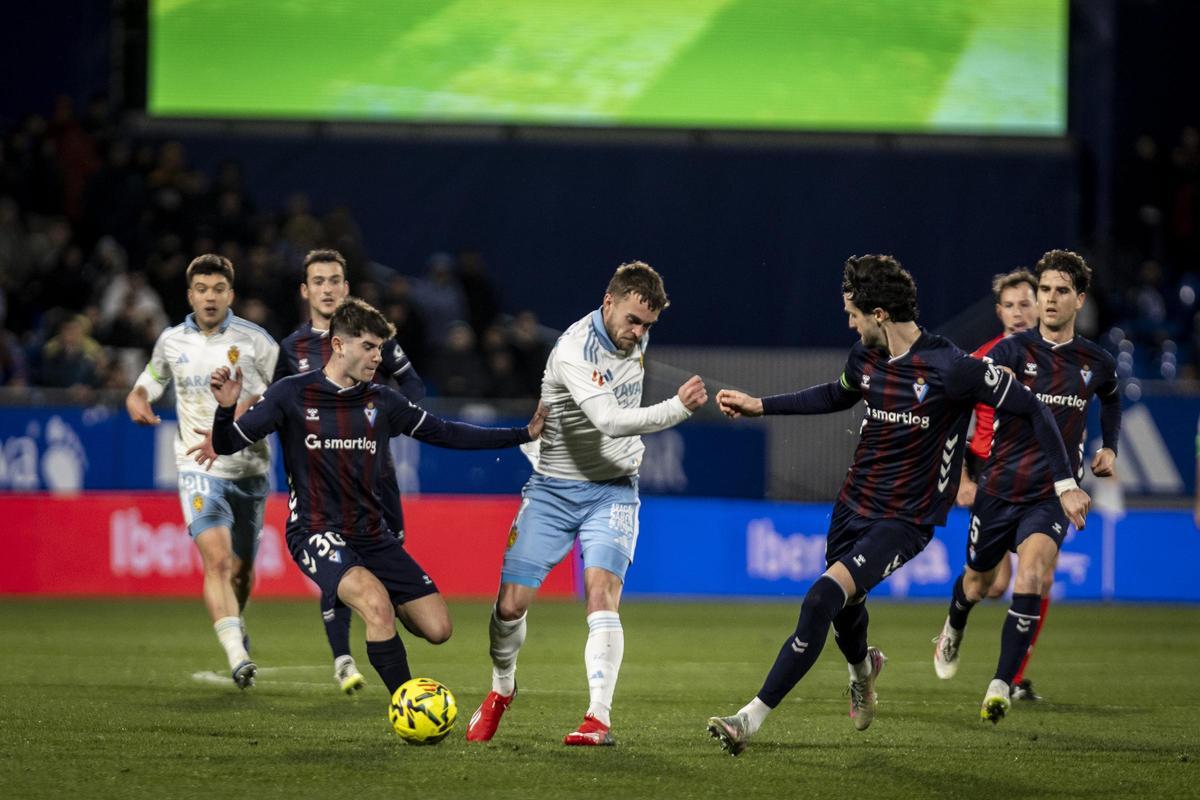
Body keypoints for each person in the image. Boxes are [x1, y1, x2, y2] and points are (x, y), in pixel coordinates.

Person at [705, 254, 1089, 756]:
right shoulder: (864, 358)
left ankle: (748, 720)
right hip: (852, 505)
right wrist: (762, 405)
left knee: (821, 598)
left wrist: (1064, 483)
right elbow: (836, 395)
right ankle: (864, 671)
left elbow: (1032, 407)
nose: (850, 322)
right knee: (846, 610)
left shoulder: (952, 368)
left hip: (906, 518)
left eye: (853, 313)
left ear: (880, 313)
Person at [200, 297, 545, 701]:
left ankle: (383, 606)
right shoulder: (291, 394)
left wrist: (522, 434)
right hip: (315, 530)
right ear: (339, 344)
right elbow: (225, 444)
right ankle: (410, 704)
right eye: (369, 346)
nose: (377, 357)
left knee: (438, 629)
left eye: (381, 348)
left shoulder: (382, 401)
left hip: (372, 534)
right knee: (374, 604)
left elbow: (446, 432)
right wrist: (225, 410)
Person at [465, 261, 707, 747]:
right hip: (553, 488)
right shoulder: (575, 349)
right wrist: (680, 406)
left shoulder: (633, 335)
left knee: (601, 595)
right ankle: (501, 690)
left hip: (614, 489)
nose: (638, 334)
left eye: (648, 326)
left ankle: (597, 718)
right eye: (633, 321)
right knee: (510, 607)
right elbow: (610, 421)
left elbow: (619, 432)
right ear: (608, 302)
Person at [932, 249, 1121, 723]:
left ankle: (1000, 684)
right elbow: (964, 390)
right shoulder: (1011, 351)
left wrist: (1110, 447)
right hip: (998, 489)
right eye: (1044, 291)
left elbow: (1112, 399)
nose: (1050, 300)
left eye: (1060, 292)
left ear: (1079, 299)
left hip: (1051, 496)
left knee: (1034, 576)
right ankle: (954, 621)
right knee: (978, 584)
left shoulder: (1095, 361)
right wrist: (988, 381)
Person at [273, 248, 426, 695]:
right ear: (306, 291)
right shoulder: (291, 349)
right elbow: (278, 409)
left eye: (335, 280)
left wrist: (391, 420)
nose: (327, 288)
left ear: (346, 286)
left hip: (375, 480)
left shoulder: (371, 335)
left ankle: (381, 624)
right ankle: (342, 655)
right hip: (320, 484)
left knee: (379, 566)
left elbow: (412, 383)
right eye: (318, 281)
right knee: (335, 557)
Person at [125, 254, 278, 689]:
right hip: (196, 467)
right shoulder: (172, 342)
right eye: (202, 290)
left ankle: (236, 623)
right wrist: (137, 400)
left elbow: (281, 395)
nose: (210, 297)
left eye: (218, 289)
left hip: (249, 470)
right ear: (190, 295)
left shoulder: (258, 342)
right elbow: (147, 384)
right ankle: (237, 656)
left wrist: (247, 408)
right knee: (216, 559)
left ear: (231, 294)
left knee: (242, 573)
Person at [953, 269, 1051, 700]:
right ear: (999, 312)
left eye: (1024, 303)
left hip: (1042, 485)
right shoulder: (982, 360)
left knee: (1037, 576)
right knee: (991, 587)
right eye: (1009, 305)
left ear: (1040, 305)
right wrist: (960, 478)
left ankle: (1010, 679)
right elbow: (953, 420)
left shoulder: (1061, 360)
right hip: (993, 479)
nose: (1017, 312)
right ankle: (957, 614)